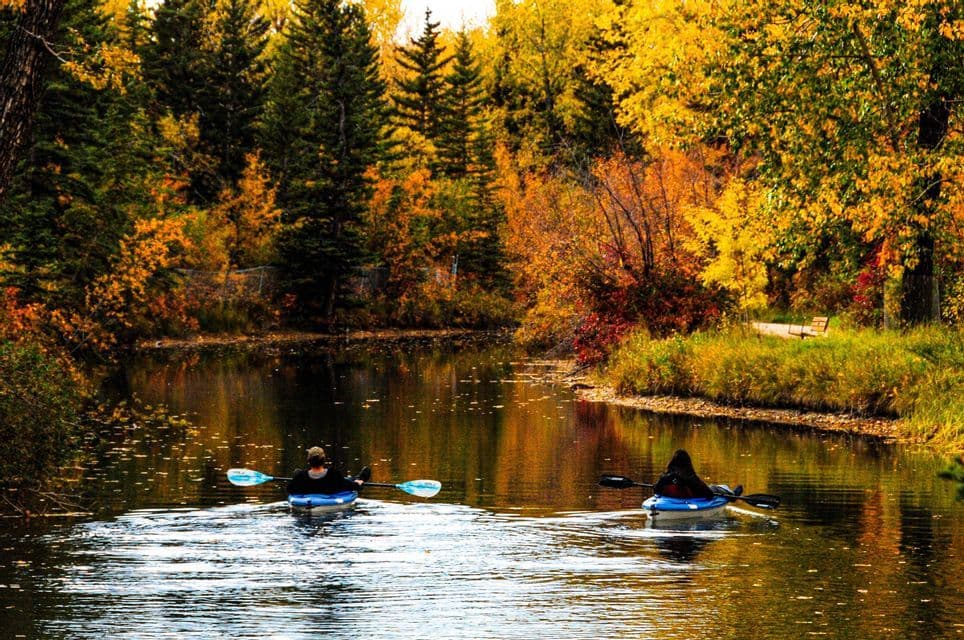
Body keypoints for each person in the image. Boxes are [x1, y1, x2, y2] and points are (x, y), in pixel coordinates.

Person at [287, 446, 371, 495]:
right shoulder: (333, 474)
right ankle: (359, 477)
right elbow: (351, 486)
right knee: (350, 480)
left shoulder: (301, 476)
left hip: (307, 502)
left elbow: (289, 489)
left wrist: (296, 476)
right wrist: (359, 482)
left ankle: (357, 478)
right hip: (330, 501)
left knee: (297, 472)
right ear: (324, 459)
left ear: (308, 460)